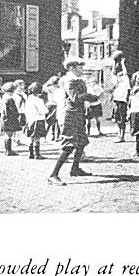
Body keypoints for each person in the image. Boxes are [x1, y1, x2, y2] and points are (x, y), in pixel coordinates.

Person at [47, 57, 100, 186]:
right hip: (70, 115)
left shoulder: (78, 80)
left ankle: (75, 169)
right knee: (69, 145)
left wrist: (95, 97)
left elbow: (82, 97)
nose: (82, 69)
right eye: (80, 67)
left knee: (81, 142)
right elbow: (75, 98)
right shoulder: (69, 81)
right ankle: (53, 175)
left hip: (78, 114)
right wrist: (92, 96)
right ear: (72, 68)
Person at [24, 82, 47, 159]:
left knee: (31, 137)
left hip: (30, 120)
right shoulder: (38, 100)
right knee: (37, 138)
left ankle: (31, 154)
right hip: (38, 120)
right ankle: (37, 154)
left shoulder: (28, 99)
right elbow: (43, 110)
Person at [111, 57, 130, 143]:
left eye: (121, 76)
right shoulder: (116, 83)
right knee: (117, 120)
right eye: (119, 76)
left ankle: (122, 136)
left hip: (122, 103)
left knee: (122, 121)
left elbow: (125, 74)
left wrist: (122, 64)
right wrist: (114, 63)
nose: (120, 77)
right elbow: (113, 74)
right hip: (116, 102)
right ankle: (119, 135)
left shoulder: (125, 83)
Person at [0, 82, 21, 156]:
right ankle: (9, 150)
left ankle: (7, 150)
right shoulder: (10, 99)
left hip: (5, 117)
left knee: (6, 134)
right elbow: (13, 110)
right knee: (9, 135)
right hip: (10, 118)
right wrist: (17, 115)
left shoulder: (4, 96)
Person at [42, 76, 61, 141]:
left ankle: (49, 136)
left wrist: (48, 82)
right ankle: (56, 136)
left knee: (50, 121)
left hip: (52, 105)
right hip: (55, 105)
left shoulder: (50, 88)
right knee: (56, 122)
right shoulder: (58, 88)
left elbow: (43, 87)